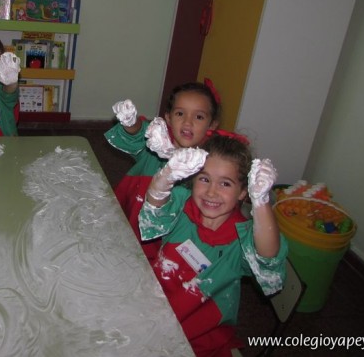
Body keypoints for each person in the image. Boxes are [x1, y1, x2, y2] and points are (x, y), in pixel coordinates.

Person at [139, 135, 288, 357]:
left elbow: (268, 257)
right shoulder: (182, 204)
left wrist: (261, 201)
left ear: (243, 191)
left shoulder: (244, 239)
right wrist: (166, 175)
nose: (211, 192)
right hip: (152, 304)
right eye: (204, 179)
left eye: (225, 183)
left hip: (197, 335)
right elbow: (154, 207)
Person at [105, 80, 221, 262]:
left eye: (199, 117)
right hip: (134, 217)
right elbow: (137, 134)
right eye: (180, 113)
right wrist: (131, 122)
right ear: (168, 117)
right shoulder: (156, 142)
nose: (187, 122)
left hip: (171, 237)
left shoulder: (209, 164)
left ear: (212, 124)